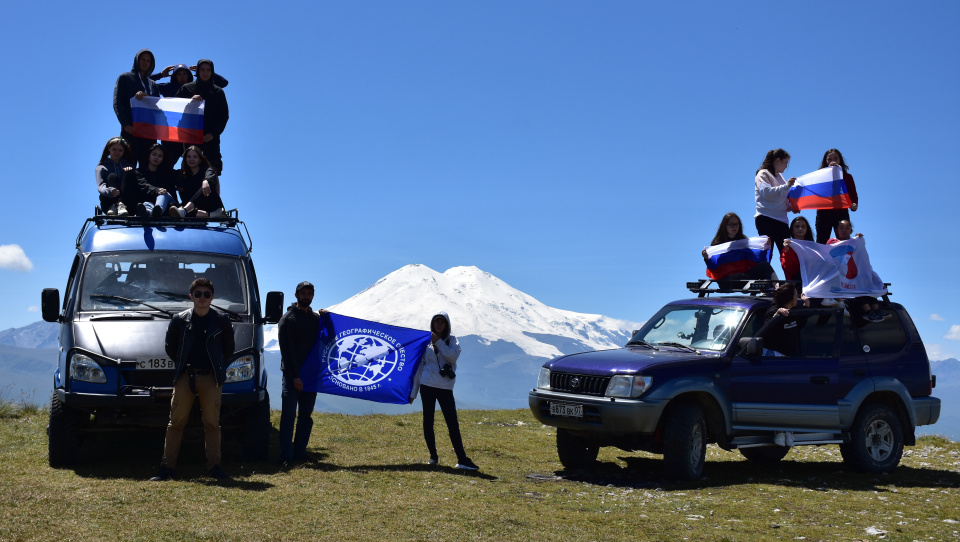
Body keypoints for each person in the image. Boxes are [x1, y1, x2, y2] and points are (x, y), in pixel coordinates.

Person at [151, 278, 235, 481]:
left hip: (211, 378)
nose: (202, 298)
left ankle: (214, 467)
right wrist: (183, 366)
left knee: (212, 424)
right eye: (198, 294)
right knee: (176, 423)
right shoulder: (180, 320)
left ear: (212, 297)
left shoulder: (221, 320)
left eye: (206, 294)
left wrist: (216, 367)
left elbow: (228, 349)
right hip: (185, 378)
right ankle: (167, 468)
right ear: (191, 297)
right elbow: (170, 347)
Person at [418, 312, 479, 470]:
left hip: (445, 387)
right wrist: (412, 392)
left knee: (452, 422)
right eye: (436, 322)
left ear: (446, 325)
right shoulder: (425, 342)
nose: (439, 325)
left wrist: (438, 342)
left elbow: (452, 356)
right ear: (433, 324)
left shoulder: (452, 340)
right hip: (427, 385)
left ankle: (462, 459)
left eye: (442, 322)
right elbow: (420, 366)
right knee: (428, 421)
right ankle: (433, 457)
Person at [277, 281, 323, 467]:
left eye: (309, 293)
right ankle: (285, 455)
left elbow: (330, 338)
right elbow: (286, 352)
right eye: (302, 293)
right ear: (296, 295)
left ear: (312, 296)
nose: (306, 296)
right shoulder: (288, 319)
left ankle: (300, 452)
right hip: (292, 376)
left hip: (311, 376)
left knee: (306, 415)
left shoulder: (316, 319)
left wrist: (327, 319)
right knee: (288, 415)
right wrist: (295, 376)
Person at [151, 64, 230, 170]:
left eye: (184, 74)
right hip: (174, 135)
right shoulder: (168, 88)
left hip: (191, 134)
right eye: (179, 74)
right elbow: (144, 82)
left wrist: (203, 72)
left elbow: (223, 83)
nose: (182, 77)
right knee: (165, 165)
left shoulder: (194, 87)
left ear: (189, 75)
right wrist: (160, 75)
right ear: (174, 76)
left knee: (197, 167)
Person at [761, 282, 808, 448]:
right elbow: (764, 331)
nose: (798, 297)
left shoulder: (795, 312)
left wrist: (807, 305)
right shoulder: (775, 311)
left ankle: (788, 431)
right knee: (780, 396)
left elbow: (801, 323)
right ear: (789, 298)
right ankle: (779, 431)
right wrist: (776, 316)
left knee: (790, 397)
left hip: (791, 362)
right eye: (796, 294)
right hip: (774, 360)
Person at [827, 220, 889, 322]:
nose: (844, 230)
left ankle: (876, 310)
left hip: (854, 272)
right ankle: (867, 311)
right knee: (857, 284)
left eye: (847, 228)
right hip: (841, 275)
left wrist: (857, 240)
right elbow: (840, 248)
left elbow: (863, 262)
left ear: (851, 230)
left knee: (866, 281)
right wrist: (855, 240)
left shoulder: (855, 243)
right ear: (837, 230)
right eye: (841, 228)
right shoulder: (832, 241)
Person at [177, 59, 229, 174]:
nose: (205, 73)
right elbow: (176, 110)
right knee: (189, 172)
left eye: (208, 70)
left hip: (211, 140)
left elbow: (224, 116)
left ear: (212, 72)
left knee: (213, 172)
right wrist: (189, 101)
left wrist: (213, 134)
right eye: (202, 70)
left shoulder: (218, 92)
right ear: (197, 72)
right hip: (191, 138)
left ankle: (214, 193)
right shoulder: (186, 89)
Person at [701, 212, 778, 289]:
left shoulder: (743, 241)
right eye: (731, 224)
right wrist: (707, 258)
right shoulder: (717, 245)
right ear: (725, 226)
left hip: (744, 277)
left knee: (764, 265)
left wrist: (764, 246)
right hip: (727, 281)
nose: (734, 227)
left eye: (736, 224)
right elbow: (713, 266)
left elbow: (755, 259)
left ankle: (777, 287)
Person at [113, 49, 160, 169]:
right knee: (128, 166)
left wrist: (147, 97)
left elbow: (157, 106)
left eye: (148, 61)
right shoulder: (125, 78)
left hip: (149, 133)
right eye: (142, 59)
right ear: (136, 61)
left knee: (148, 167)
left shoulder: (152, 84)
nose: (145, 63)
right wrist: (125, 124)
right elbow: (117, 103)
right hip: (131, 131)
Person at [754, 149, 797, 256]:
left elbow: (783, 200)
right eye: (785, 162)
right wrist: (787, 186)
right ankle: (764, 273)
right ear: (778, 160)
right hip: (766, 219)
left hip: (781, 221)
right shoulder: (763, 173)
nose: (786, 166)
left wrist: (793, 207)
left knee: (788, 253)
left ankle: (791, 273)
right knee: (767, 253)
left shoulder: (780, 177)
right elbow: (766, 192)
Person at [815, 149, 859, 244]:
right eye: (829, 159)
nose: (832, 161)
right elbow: (817, 192)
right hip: (823, 213)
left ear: (840, 161)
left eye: (835, 158)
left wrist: (854, 204)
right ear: (825, 161)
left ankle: (845, 259)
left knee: (843, 242)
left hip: (841, 212)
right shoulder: (819, 176)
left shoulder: (847, 177)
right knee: (821, 242)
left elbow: (853, 195)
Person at [168, 147, 225, 218]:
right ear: (185, 159)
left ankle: (184, 211)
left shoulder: (208, 170)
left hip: (209, 205)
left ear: (200, 159)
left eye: (195, 157)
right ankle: (211, 215)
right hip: (194, 210)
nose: (191, 159)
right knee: (171, 207)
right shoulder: (180, 175)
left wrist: (206, 180)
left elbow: (210, 177)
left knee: (206, 185)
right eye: (189, 156)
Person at [132, 144, 179, 217]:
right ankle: (149, 214)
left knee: (163, 193)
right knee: (146, 204)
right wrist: (156, 190)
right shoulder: (140, 172)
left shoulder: (168, 173)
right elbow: (143, 184)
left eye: (160, 156)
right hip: (150, 203)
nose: (156, 157)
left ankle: (158, 211)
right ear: (149, 155)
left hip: (169, 204)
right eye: (154, 154)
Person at [95, 137, 136, 216]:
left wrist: (130, 172)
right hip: (109, 203)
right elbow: (100, 186)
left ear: (124, 152)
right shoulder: (101, 168)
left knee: (129, 173)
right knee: (112, 176)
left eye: (120, 150)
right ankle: (116, 204)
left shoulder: (130, 166)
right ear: (109, 149)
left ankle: (121, 204)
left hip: (127, 203)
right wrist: (110, 191)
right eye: (114, 149)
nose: (117, 152)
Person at [780, 216, 815, 282]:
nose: (800, 228)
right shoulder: (788, 246)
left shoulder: (812, 246)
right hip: (796, 280)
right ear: (792, 230)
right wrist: (787, 252)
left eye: (803, 226)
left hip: (811, 279)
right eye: (797, 226)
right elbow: (787, 268)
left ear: (807, 229)